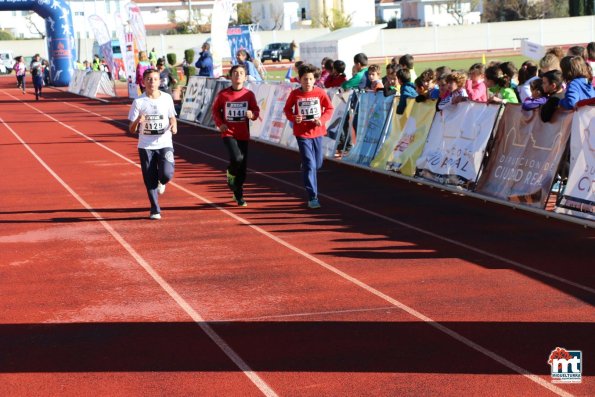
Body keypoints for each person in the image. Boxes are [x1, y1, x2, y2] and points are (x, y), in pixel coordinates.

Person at [128, 68, 177, 220]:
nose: (152, 82)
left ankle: (162, 181)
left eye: (155, 79)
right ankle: (155, 209)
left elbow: (172, 117)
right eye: (149, 79)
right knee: (149, 178)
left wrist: (174, 125)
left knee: (167, 174)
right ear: (143, 82)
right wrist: (138, 121)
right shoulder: (139, 102)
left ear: (160, 81)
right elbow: (131, 129)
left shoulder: (167, 98)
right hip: (146, 146)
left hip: (164, 143)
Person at [283, 64, 334, 209]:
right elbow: (287, 110)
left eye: (311, 79)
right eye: (305, 79)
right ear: (300, 79)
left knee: (317, 164)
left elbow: (329, 108)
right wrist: (294, 118)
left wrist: (322, 120)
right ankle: (313, 197)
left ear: (315, 80)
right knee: (310, 164)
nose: (308, 82)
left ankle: (306, 166)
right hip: (302, 133)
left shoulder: (320, 92)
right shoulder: (295, 94)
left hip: (317, 132)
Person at [212, 65, 260, 206]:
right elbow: (215, 111)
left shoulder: (248, 95)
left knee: (243, 169)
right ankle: (230, 173)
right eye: (235, 73)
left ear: (245, 77)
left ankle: (238, 194)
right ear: (230, 76)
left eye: (241, 73)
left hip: (243, 133)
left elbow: (256, 111)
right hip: (228, 132)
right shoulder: (223, 94)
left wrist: (252, 115)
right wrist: (220, 124)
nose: (238, 75)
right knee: (236, 158)